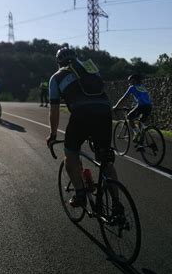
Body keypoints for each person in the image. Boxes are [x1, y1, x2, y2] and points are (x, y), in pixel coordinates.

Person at [46, 47, 118, 208]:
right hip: (105, 113)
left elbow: (54, 110)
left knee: (70, 154)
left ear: (58, 62)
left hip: (82, 115)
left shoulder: (56, 77)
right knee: (105, 160)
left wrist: (52, 134)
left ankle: (80, 195)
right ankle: (117, 205)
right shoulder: (91, 70)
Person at [112, 73, 153, 142]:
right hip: (149, 106)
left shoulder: (132, 87)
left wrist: (116, 106)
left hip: (141, 106)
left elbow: (123, 98)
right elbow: (143, 97)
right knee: (141, 122)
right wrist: (135, 106)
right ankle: (141, 141)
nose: (129, 82)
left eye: (130, 81)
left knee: (129, 117)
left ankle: (136, 133)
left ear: (134, 81)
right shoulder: (142, 86)